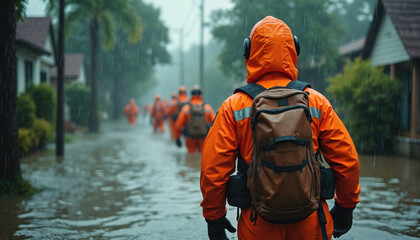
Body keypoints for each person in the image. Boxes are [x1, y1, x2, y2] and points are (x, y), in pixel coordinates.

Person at [200, 16, 360, 240]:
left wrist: (214, 217)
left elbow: (212, 171)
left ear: (248, 51)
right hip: (312, 222)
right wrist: (345, 207)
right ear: (294, 49)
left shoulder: (233, 107)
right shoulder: (316, 102)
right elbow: (348, 161)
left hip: (258, 223)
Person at [175, 85, 215, 153]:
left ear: (191, 94)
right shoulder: (207, 107)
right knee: (202, 155)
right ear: (201, 94)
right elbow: (215, 123)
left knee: (191, 155)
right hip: (203, 137)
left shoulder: (186, 108)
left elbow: (179, 125)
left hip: (190, 137)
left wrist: (177, 138)